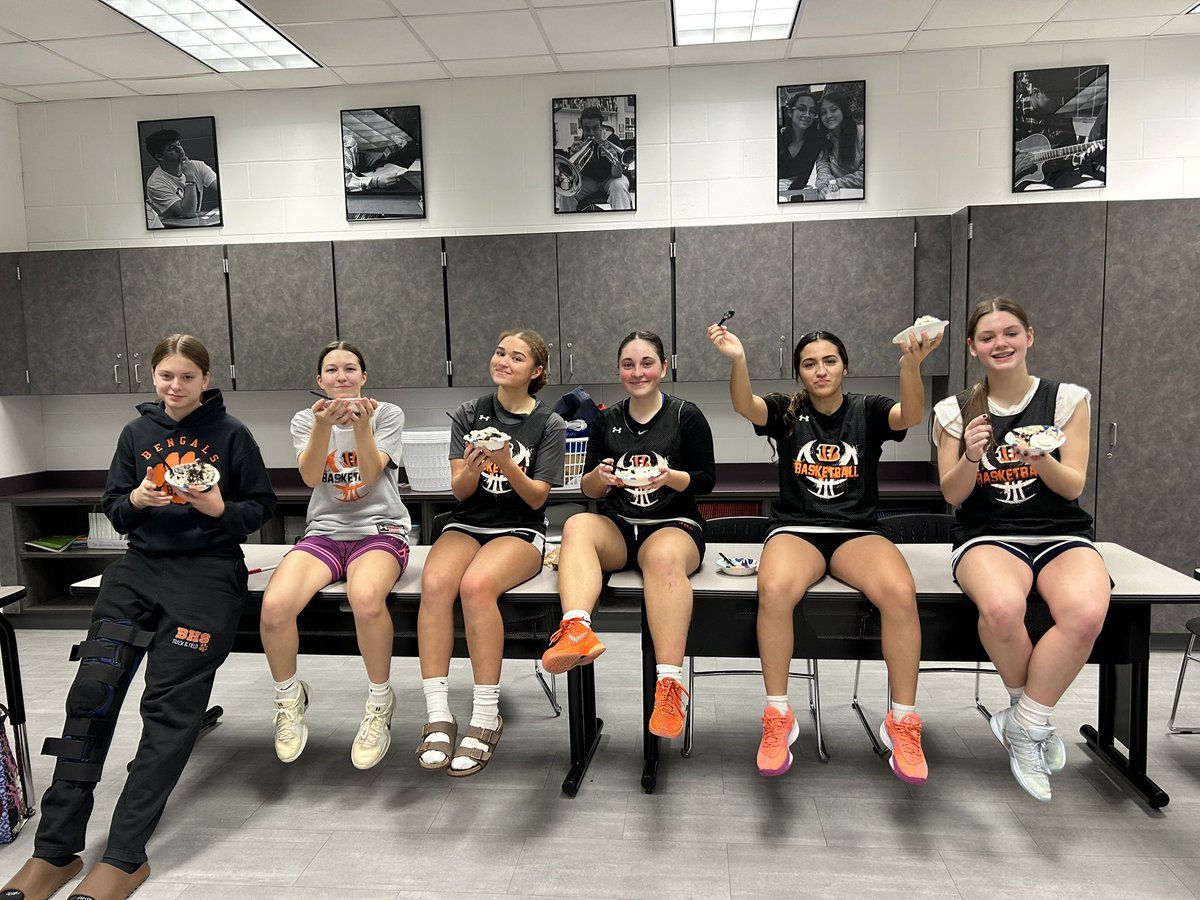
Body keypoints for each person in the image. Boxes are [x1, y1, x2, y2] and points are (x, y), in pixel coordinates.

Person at [1, 335, 274, 900]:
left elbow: (261, 509)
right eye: (165, 376)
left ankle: (125, 854)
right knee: (90, 697)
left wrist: (219, 507)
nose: (174, 387)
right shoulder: (136, 433)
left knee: (168, 713)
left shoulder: (232, 435)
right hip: (138, 570)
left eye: (186, 377)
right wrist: (138, 503)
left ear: (205, 379)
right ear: (153, 376)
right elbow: (113, 504)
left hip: (207, 577)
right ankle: (54, 851)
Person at [708, 322, 941, 783]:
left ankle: (903, 720)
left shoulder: (868, 410)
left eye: (829, 361)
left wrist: (910, 366)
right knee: (773, 589)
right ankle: (778, 715)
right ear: (799, 373)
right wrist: (738, 360)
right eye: (809, 364)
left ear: (845, 366)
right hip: (797, 528)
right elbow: (746, 406)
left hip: (856, 531)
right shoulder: (787, 412)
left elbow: (910, 415)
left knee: (899, 590)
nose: (820, 370)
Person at [933, 296, 1110, 802]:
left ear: (1029, 336)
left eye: (1010, 332)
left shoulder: (1066, 400)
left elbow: (1073, 485)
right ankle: (1029, 719)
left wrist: (1040, 459)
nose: (1000, 343)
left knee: (1085, 614)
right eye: (987, 337)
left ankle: (1025, 722)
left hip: (1060, 530)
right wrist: (970, 455)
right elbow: (953, 494)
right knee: (1002, 608)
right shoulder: (956, 410)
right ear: (972, 348)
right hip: (987, 533)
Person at [541, 332, 716, 740]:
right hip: (621, 526)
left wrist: (671, 477)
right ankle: (577, 630)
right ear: (619, 370)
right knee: (577, 525)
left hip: (674, 526)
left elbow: (707, 480)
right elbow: (588, 489)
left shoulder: (686, 416)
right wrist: (597, 479)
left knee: (661, 559)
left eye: (647, 363)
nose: (638, 372)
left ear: (664, 367)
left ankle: (669, 687)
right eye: (628, 364)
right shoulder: (607, 419)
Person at [415, 330, 567, 776]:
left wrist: (507, 463)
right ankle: (438, 712)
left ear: (535, 371)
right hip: (468, 522)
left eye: (516, 357)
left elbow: (538, 499)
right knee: (436, 582)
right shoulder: (469, 413)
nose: (503, 361)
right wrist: (475, 468)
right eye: (499, 351)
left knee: (477, 586)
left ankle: (485, 715)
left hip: (519, 529)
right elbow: (460, 491)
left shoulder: (549, 424)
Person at [259, 341, 411, 770]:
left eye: (350, 369)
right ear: (319, 380)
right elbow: (310, 476)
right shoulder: (303, 419)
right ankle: (289, 699)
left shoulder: (389, 414)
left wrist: (362, 424)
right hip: (325, 532)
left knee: (365, 598)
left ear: (364, 376)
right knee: (274, 606)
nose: (341, 377)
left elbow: (367, 472)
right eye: (331, 370)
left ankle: (380, 703)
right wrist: (322, 426)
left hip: (380, 531)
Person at [1013, 67, 1106, 191]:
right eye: (1055, 97)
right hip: (1027, 180)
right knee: (1043, 191)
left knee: (1097, 185)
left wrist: (1086, 156)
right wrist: (1025, 161)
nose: (1060, 101)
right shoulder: (1016, 112)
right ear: (1036, 93)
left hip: (1061, 176)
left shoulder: (1061, 114)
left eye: (1062, 97)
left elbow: (1072, 154)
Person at [556, 106, 633, 212]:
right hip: (590, 182)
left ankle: (623, 223)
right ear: (582, 128)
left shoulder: (612, 139)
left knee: (618, 186)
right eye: (587, 129)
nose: (591, 133)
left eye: (595, 128)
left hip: (610, 179)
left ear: (601, 126)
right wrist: (574, 158)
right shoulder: (580, 144)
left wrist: (614, 159)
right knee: (567, 192)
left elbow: (617, 175)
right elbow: (577, 177)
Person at [143, 129, 218, 228]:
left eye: (178, 144)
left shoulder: (197, 166)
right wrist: (190, 178)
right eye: (171, 148)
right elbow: (188, 212)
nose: (179, 149)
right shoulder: (156, 183)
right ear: (160, 157)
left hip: (194, 224)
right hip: (171, 231)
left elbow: (223, 190)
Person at [342, 112, 421, 193]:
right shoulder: (348, 144)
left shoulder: (374, 134)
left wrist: (383, 153)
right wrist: (375, 182)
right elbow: (342, 181)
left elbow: (400, 141)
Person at [813, 91, 865, 200]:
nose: (828, 116)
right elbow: (823, 167)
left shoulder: (862, 133)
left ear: (843, 110)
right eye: (823, 113)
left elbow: (865, 174)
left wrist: (835, 183)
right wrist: (823, 186)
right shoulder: (824, 138)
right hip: (835, 195)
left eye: (833, 110)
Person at [777, 91, 822, 195]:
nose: (807, 115)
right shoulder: (778, 137)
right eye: (802, 109)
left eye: (812, 111)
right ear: (790, 112)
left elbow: (803, 178)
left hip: (795, 194)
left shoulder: (816, 143)